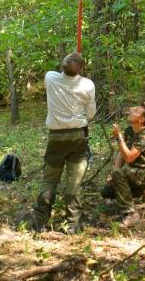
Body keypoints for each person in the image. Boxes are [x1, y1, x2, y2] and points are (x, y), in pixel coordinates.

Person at [31, 53, 96, 235]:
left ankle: (40, 221)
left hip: (57, 137)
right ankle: (73, 224)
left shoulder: (50, 78)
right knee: (74, 182)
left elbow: (65, 71)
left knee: (50, 179)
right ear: (81, 69)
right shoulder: (87, 85)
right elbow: (91, 114)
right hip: (77, 136)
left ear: (62, 65)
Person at [100, 106, 145, 228]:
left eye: (135, 111)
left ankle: (131, 214)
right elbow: (122, 153)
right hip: (132, 172)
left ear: (141, 119)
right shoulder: (129, 131)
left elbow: (130, 157)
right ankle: (142, 191)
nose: (131, 111)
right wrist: (112, 175)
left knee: (121, 172)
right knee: (106, 191)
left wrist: (119, 136)